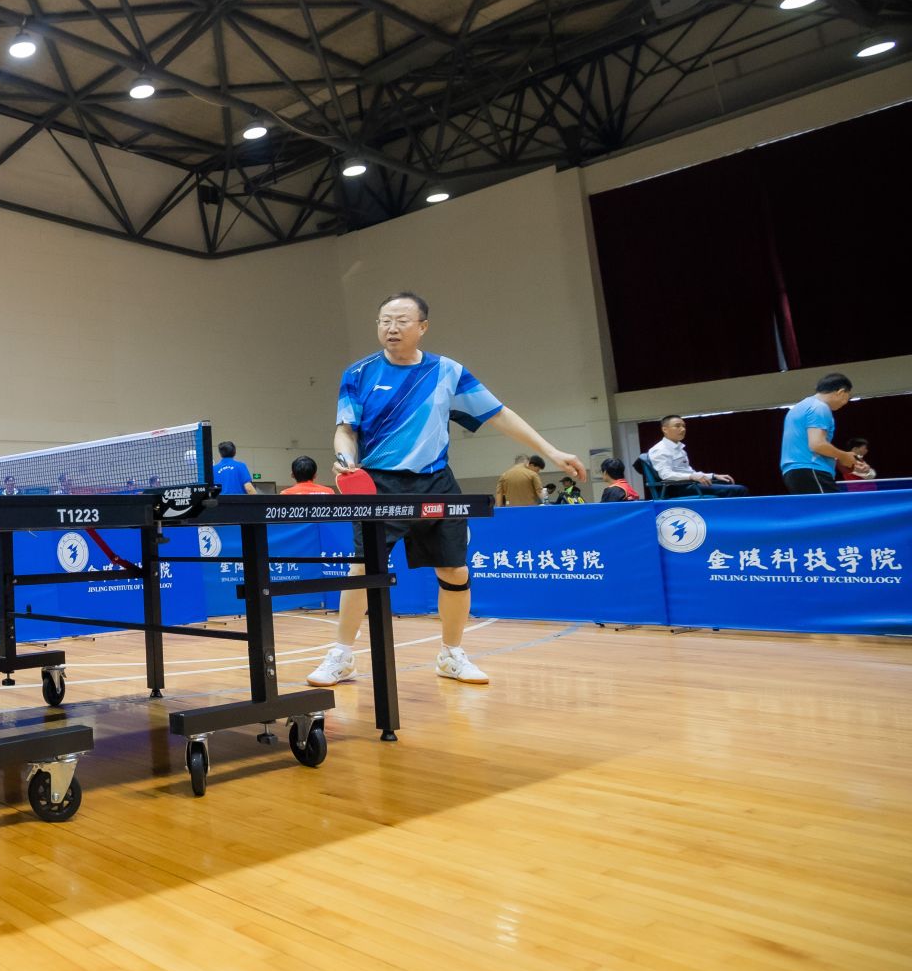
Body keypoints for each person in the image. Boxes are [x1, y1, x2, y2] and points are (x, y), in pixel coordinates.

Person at [309, 291, 586, 689]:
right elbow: (346, 430)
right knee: (364, 567)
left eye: (402, 321)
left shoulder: (447, 371)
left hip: (436, 481)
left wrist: (552, 451)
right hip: (380, 484)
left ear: (422, 327)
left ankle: (451, 655)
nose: (391, 328)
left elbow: (499, 414)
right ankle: (342, 655)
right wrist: (345, 458)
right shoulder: (359, 373)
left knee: (455, 569)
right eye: (385, 320)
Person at [781, 373, 861, 494]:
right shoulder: (820, 408)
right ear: (841, 392)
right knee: (832, 506)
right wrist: (844, 456)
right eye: (848, 397)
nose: (845, 402)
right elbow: (817, 444)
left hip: (795, 471)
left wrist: (839, 459)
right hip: (812, 469)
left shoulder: (799, 407)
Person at [647, 415, 747, 498]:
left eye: (684, 426)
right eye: (677, 426)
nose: (682, 429)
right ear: (665, 429)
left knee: (726, 482)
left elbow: (690, 472)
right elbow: (666, 475)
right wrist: (691, 476)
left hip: (689, 484)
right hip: (677, 488)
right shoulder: (659, 449)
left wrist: (713, 476)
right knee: (739, 490)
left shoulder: (680, 449)